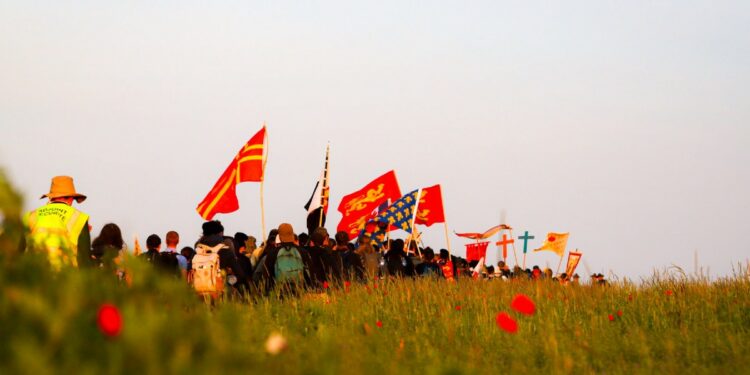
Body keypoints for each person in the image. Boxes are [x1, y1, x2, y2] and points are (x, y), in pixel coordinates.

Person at [21, 176, 92, 269]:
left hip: (34, 275)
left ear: (51, 197)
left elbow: (18, 252)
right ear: (71, 198)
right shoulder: (79, 218)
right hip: (64, 277)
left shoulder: (30, 216)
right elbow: (84, 260)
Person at [255, 223, 311, 294]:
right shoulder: (303, 252)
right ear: (292, 235)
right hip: (300, 292)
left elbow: (266, 276)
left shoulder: (273, 253)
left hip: (279, 293)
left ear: (280, 236)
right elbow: (309, 274)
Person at [196, 221, 247, 294]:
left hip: (199, 291)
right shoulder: (225, 250)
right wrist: (228, 281)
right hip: (220, 292)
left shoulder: (198, 250)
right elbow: (240, 275)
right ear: (220, 233)